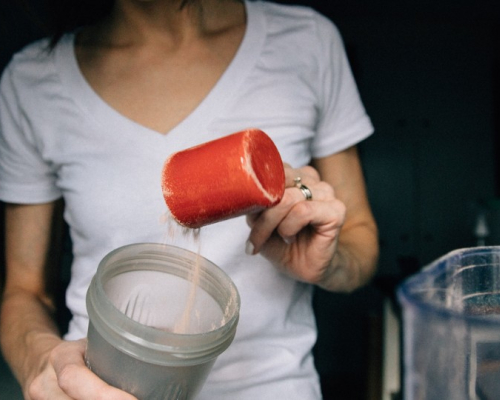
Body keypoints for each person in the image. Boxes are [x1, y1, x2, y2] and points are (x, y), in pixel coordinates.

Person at [0, 0, 379, 398]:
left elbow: (361, 238)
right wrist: (42, 363)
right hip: (103, 387)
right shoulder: (33, 80)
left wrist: (329, 261)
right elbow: (23, 290)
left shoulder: (306, 41)